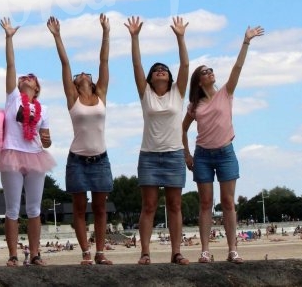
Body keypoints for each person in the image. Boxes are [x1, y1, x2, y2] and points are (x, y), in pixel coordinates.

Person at [182, 25, 264, 264]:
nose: (210, 73)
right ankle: (205, 250)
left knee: (228, 202)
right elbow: (183, 128)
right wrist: (187, 154)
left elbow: (238, 68)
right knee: (206, 203)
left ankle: (232, 249)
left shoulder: (226, 92)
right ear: (198, 81)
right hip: (203, 156)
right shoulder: (194, 105)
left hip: (226, 152)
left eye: (211, 70)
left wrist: (246, 41)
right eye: (205, 72)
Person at [47, 14, 113, 265]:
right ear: (74, 83)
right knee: (79, 209)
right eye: (79, 74)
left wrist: (106, 32)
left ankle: (100, 252)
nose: (83, 73)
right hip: (77, 160)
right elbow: (65, 64)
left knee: (99, 209)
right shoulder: (72, 98)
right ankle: (86, 252)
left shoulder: (101, 94)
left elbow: (103, 60)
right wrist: (57, 36)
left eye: (86, 73)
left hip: (101, 159)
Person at [125, 15, 190, 265]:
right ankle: (145, 252)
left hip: (174, 153)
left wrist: (180, 37)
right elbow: (136, 65)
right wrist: (134, 37)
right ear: (151, 79)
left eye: (163, 69)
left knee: (175, 205)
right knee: (149, 206)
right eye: (156, 71)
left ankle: (176, 252)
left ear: (169, 78)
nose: (160, 70)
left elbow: (185, 66)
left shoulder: (177, 93)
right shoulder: (146, 95)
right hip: (150, 155)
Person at [0, 17, 56, 267]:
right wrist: (9, 37)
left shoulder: (43, 110)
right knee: (12, 209)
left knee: (34, 209)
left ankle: (35, 254)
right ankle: (12, 254)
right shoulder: (13, 98)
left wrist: (48, 138)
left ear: (37, 88)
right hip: (12, 152)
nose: (25, 78)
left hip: (34, 156)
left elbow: (48, 141)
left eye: (30, 78)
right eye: (24, 77)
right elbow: (10, 65)